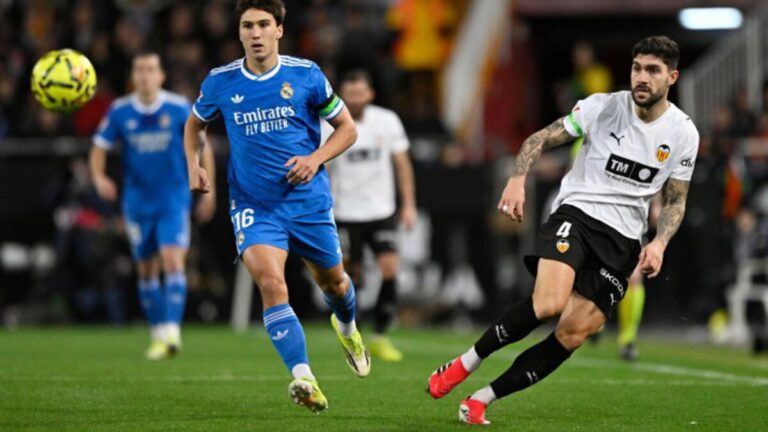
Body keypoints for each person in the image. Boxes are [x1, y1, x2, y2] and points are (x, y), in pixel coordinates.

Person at [427, 36, 699, 425]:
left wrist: (659, 242)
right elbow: (538, 139)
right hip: (578, 214)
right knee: (549, 304)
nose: (642, 77)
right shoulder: (602, 107)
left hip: (623, 241)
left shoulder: (683, 133)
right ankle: (465, 362)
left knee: (572, 334)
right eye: (637, 68)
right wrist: (517, 179)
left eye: (653, 70)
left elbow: (676, 200)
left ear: (672, 77)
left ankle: (482, 399)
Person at [184, 0, 366, 413]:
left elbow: (347, 129)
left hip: (308, 203)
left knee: (335, 285)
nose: (255, 33)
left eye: (264, 24)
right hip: (254, 204)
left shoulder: (306, 75)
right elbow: (195, 123)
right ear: (239, 32)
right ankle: (304, 378)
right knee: (271, 283)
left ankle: (347, 327)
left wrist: (315, 158)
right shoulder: (221, 82)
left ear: (279, 30)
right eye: (247, 25)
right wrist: (193, 165)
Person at [89, 50, 217, 360]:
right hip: (137, 202)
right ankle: (158, 333)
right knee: (146, 270)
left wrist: (210, 191)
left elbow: (205, 147)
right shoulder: (120, 111)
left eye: (150, 69)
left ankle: (172, 331)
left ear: (161, 76)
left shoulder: (178, 107)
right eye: (140, 70)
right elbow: (98, 148)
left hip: (173, 198)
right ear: (133, 77)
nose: (145, 75)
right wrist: (99, 178)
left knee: (172, 260)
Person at [322, 70, 416, 362]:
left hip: (381, 211)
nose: (355, 99)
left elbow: (402, 164)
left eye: (360, 93)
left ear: (370, 94)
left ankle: (380, 336)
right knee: (350, 279)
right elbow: (323, 168)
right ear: (342, 95)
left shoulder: (387, 121)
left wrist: (409, 204)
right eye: (350, 94)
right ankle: (355, 337)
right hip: (345, 212)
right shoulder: (329, 125)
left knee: (390, 269)